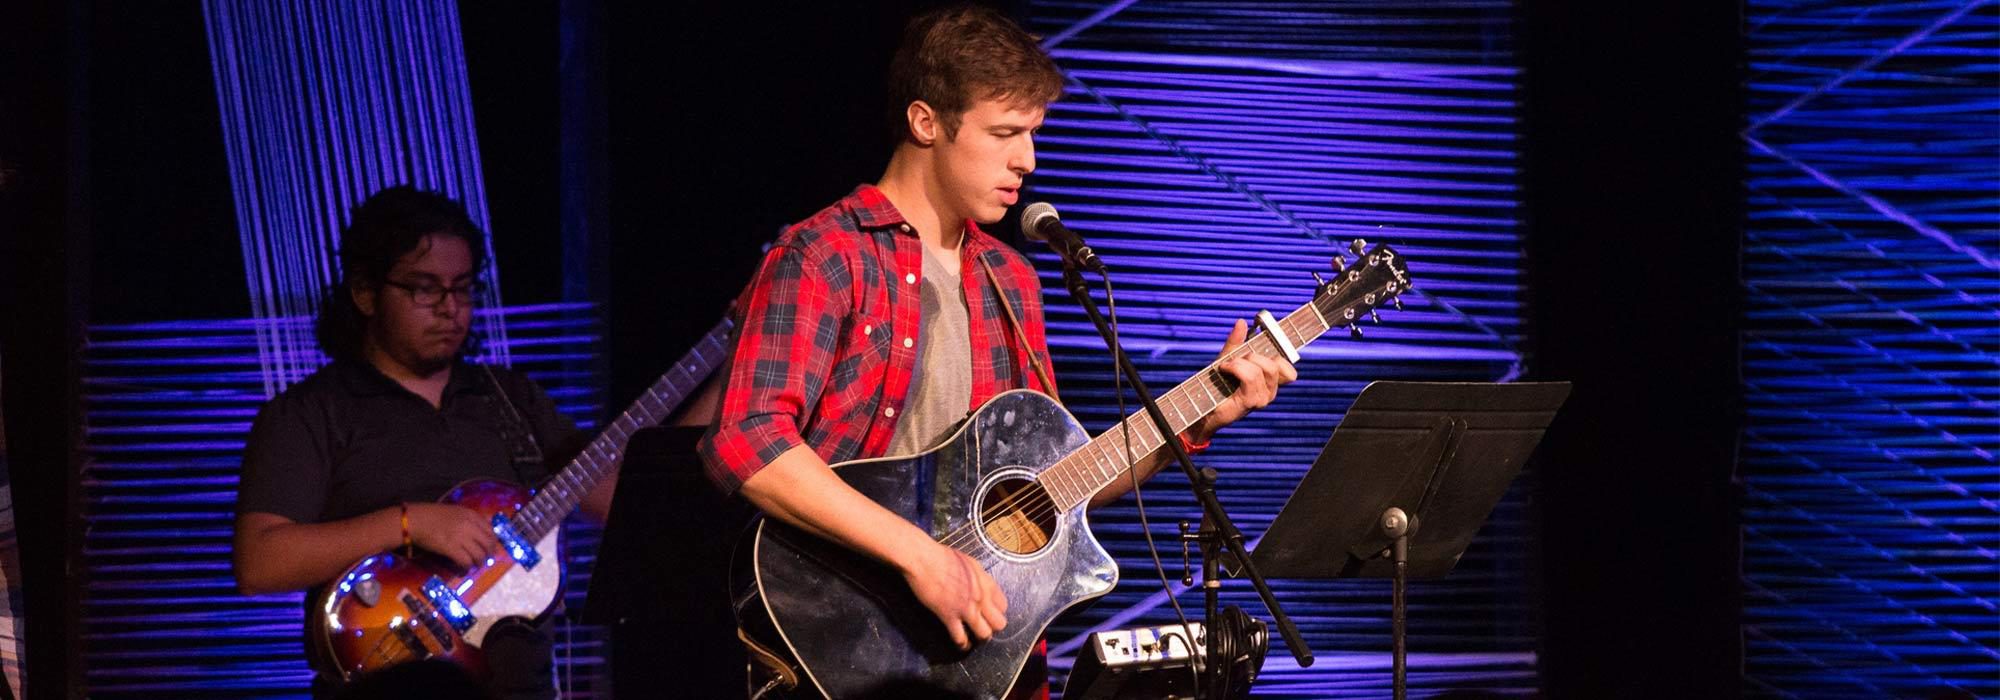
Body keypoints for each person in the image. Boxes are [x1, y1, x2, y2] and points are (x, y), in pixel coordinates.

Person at [698, 5, 1297, 697]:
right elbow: (745, 441)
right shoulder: (826, 256)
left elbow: (1054, 488)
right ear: (926, 123)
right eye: (1005, 133)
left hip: (985, 656)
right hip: (843, 639)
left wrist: (1197, 420)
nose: (1029, 161)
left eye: (1034, 134)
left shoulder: (1010, 280)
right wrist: (923, 559)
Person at [232, 186, 615, 700]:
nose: (450, 309)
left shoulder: (511, 398)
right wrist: (408, 523)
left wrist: (722, 374)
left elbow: (615, 497)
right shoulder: (310, 412)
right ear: (366, 293)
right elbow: (260, 563)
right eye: (424, 289)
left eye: (462, 288)